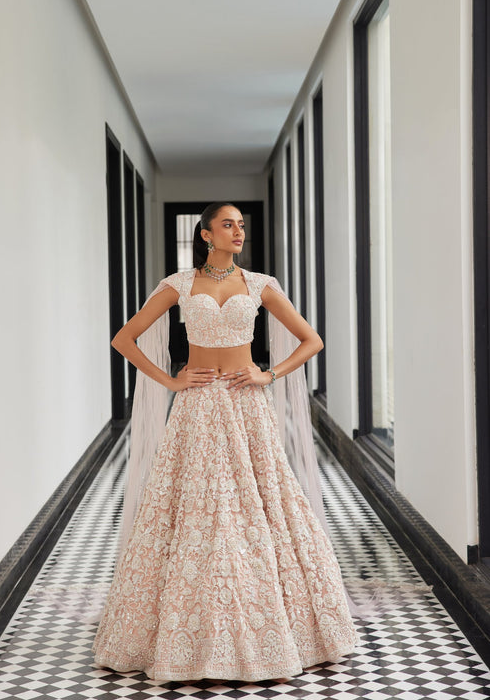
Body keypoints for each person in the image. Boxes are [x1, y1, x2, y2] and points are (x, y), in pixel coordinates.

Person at [92, 201, 361, 681]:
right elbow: (124, 338)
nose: (238, 232)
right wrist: (171, 382)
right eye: (228, 225)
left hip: (245, 406)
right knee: (197, 509)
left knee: (259, 506)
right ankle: (187, 642)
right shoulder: (178, 284)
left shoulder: (260, 285)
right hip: (196, 407)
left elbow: (311, 339)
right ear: (205, 234)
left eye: (241, 225)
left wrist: (268, 373)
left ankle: (275, 636)